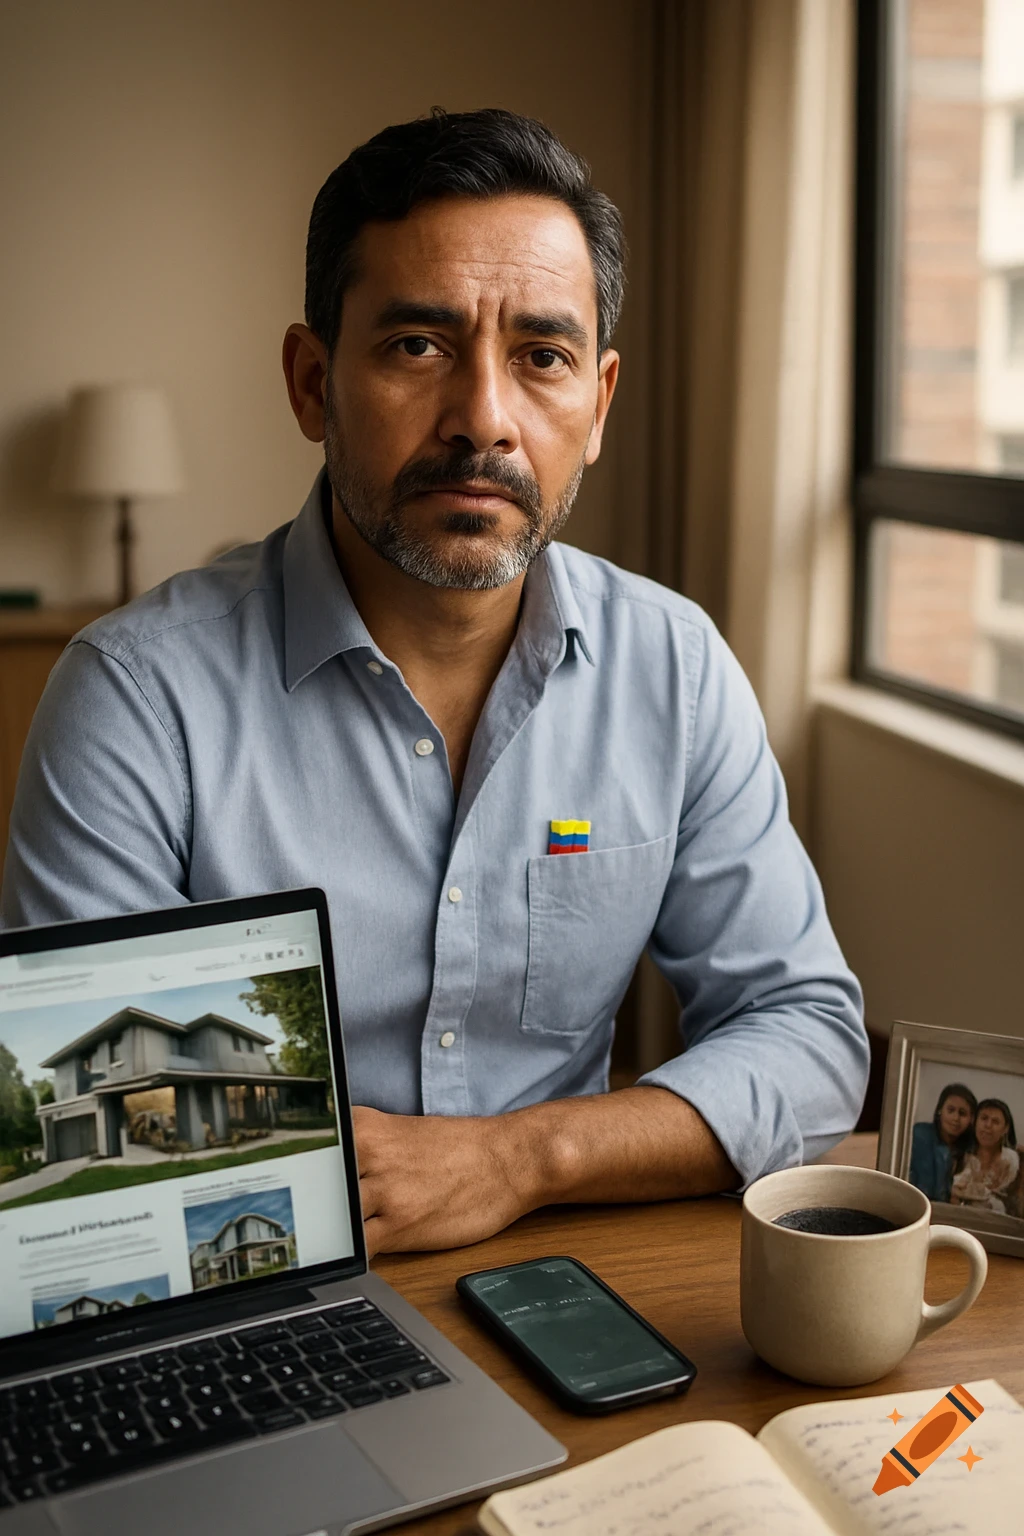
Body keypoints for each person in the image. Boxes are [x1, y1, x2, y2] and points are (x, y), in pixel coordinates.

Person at [0, 108, 868, 1255]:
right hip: (253, 1283)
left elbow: (807, 1032)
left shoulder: (677, 671)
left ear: (598, 404)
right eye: (418, 347)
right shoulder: (135, 700)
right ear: (313, 384)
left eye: (542, 358)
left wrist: (523, 1158)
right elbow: (76, 1149)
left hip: (571, 1266)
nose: (484, 421)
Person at [908, 1083, 977, 1203]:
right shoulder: (918, 1135)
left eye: (962, 1113)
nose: (955, 1118)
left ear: (971, 1119)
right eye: (951, 1110)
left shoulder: (973, 1148)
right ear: (940, 1110)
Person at [950, 1099, 1020, 1214]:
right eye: (984, 1118)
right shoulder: (960, 1155)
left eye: (995, 1121)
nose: (988, 1125)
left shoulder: (1013, 1161)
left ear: (1005, 1129)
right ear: (975, 1122)